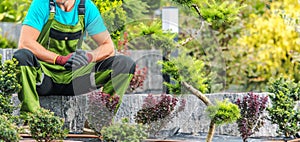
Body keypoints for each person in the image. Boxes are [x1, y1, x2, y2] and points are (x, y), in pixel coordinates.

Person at [13, 0, 135, 114]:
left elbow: (108, 47)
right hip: (44, 78)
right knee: (22, 56)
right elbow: (25, 43)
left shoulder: (87, 7)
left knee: (124, 64)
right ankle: (32, 118)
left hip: (76, 81)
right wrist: (59, 59)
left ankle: (99, 118)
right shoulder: (41, 4)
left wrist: (89, 57)